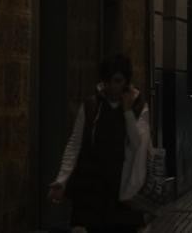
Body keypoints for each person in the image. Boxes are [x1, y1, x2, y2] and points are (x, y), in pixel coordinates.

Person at [49, 54, 151, 233]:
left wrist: (127, 111)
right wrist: (62, 180)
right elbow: (75, 143)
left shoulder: (138, 107)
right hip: (92, 188)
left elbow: (137, 143)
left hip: (123, 188)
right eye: (109, 81)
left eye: (118, 81)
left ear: (126, 81)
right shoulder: (91, 106)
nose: (113, 86)